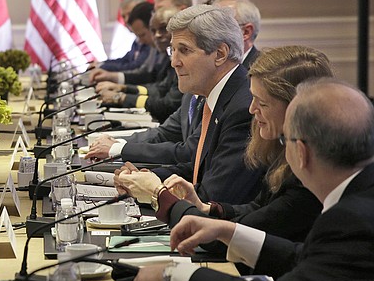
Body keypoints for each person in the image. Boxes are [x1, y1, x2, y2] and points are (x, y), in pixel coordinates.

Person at [131, 78, 374, 281]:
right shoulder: (358, 195)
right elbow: (307, 262)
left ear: (300, 153)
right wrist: (230, 231)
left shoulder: (352, 216)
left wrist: (175, 275)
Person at [118, 46, 332, 242]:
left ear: (297, 109)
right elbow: (257, 208)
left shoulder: (308, 175)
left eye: (263, 103)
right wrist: (206, 209)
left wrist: (158, 194)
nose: (252, 110)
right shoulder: (281, 151)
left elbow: (240, 235)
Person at [111, 4, 263, 205]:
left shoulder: (243, 108)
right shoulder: (219, 95)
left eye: (184, 50)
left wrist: (154, 189)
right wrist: (145, 176)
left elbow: (213, 197)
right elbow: (199, 166)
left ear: (220, 54)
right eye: (172, 50)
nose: (174, 61)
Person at [95, 6, 182, 122]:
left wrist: (122, 97)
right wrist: (123, 88)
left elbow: (168, 105)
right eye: (153, 30)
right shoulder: (166, 55)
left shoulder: (181, 62)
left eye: (163, 29)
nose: (157, 35)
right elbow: (160, 89)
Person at [90, 2, 167, 85]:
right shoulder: (153, 47)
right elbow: (146, 74)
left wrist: (124, 94)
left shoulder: (164, 50)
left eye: (143, 35)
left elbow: (139, 69)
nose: (141, 41)